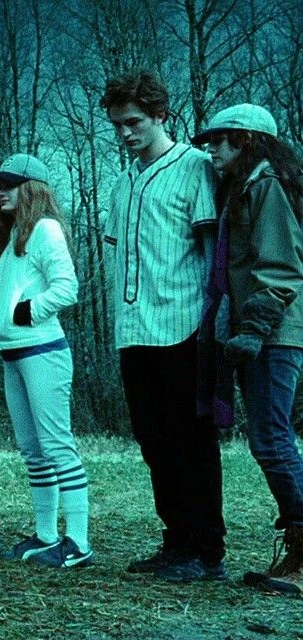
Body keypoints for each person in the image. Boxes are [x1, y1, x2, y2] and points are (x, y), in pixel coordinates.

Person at [100, 70, 227, 582]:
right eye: (117, 124)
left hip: (184, 326)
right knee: (153, 441)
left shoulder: (195, 168)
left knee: (190, 441)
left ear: (160, 115)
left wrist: (213, 325)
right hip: (135, 330)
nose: (125, 132)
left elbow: (213, 254)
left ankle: (206, 550)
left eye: (133, 121)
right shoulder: (122, 182)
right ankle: (176, 541)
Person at [193, 104, 303, 596]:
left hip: (274, 332)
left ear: (248, 140)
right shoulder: (247, 186)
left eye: (220, 140)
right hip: (260, 332)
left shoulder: (267, 185)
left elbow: (280, 268)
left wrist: (255, 328)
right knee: (270, 440)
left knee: (273, 441)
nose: (212, 150)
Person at [0, 154, 92, 568]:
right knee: (32, 450)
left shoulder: (45, 229)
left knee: (56, 446)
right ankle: (47, 534)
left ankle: (78, 542)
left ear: (32, 188)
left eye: (10, 184)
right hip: (13, 353)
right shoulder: (12, 236)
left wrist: (25, 311)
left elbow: (67, 288)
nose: (1, 192)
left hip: (43, 350)